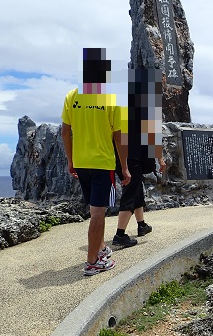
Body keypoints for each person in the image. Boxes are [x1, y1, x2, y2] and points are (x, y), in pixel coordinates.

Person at [61, 47, 131, 276]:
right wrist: (125, 167)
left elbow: (65, 131)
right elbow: (120, 136)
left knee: (95, 210)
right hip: (102, 163)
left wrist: (71, 161)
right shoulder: (113, 99)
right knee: (98, 212)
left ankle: (99, 249)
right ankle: (92, 262)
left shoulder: (72, 96)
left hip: (81, 163)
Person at [112, 68, 167, 246]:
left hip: (122, 158)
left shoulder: (123, 107)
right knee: (130, 193)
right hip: (134, 158)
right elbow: (153, 137)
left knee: (136, 190)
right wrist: (160, 159)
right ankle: (120, 234)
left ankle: (141, 225)